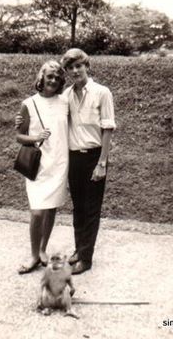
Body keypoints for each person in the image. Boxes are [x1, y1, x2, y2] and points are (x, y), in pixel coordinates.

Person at [61, 48, 116, 275]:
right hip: (74, 158)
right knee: (78, 208)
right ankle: (78, 249)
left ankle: (86, 258)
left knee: (92, 210)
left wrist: (102, 163)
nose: (75, 71)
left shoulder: (102, 92)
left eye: (78, 66)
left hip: (95, 156)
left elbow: (108, 128)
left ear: (87, 66)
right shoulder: (66, 95)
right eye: (70, 67)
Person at [15, 60, 68, 274]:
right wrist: (35, 137)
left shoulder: (65, 102)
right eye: (49, 77)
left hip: (60, 162)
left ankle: (43, 250)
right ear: (41, 78)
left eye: (57, 78)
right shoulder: (28, 103)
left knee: (51, 208)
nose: (53, 81)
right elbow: (19, 136)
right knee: (37, 212)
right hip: (38, 164)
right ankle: (33, 254)